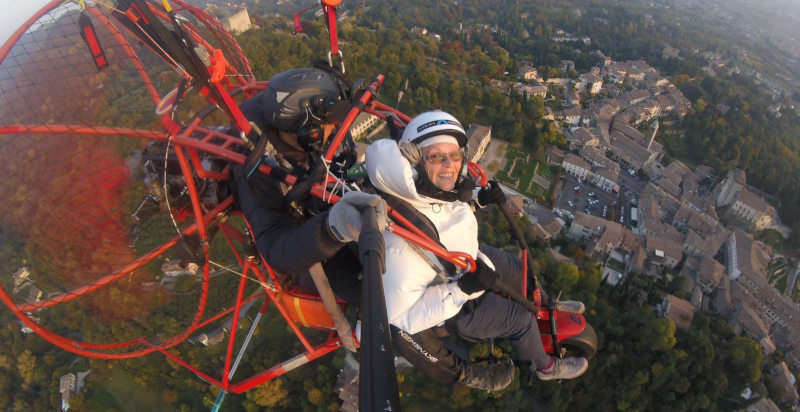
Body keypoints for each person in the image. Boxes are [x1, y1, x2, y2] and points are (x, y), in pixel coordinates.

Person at [365, 110, 588, 391]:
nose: (449, 165)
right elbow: (399, 322)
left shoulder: (424, 189)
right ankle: (545, 366)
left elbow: (441, 217)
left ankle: (545, 306)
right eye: (436, 156)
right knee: (519, 319)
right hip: (455, 304)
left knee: (518, 267)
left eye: (454, 155)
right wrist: (461, 290)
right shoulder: (400, 257)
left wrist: (479, 202)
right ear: (414, 163)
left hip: (463, 259)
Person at [231, 67, 387, 302]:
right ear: (308, 132)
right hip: (318, 253)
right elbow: (276, 249)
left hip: (340, 206)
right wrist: (331, 230)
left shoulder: (312, 146)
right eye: (331, 123)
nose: (337, 128)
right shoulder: (258, 173)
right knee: (384, 295)